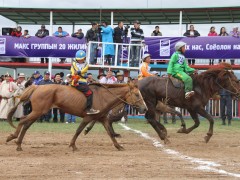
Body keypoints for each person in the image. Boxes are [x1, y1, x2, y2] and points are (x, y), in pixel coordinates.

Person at [71, 50, 100, 115]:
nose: (79, 60)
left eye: (81, 59)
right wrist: (76, 79)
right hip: (75, 81)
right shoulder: (73, 64)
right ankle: (88, 109)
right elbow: (73, 73)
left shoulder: (86, 64)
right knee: (90, 93)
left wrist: (82, 74)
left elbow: (82, 72)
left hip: (83, 81)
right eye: (78, 59)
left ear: (84, 58)